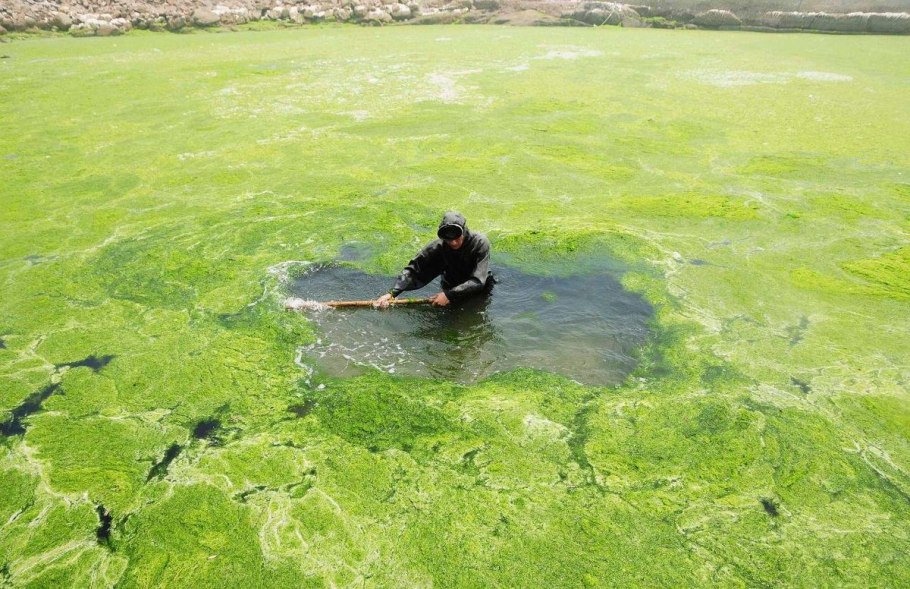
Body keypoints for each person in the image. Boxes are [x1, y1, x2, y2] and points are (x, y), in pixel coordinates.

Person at [374, 211, 493, 308]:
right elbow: (414, 269)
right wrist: (392, 293)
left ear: (464, 231)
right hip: (450, 285)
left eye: (457, 238)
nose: (453, 243)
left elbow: (478, 281)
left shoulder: (480, 243)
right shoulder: (438, 246)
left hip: (478, 290)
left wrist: (449, 295)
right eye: (448, 240)